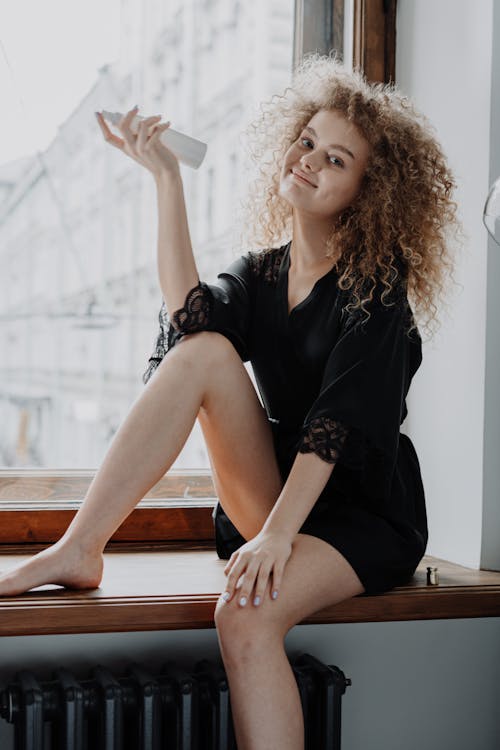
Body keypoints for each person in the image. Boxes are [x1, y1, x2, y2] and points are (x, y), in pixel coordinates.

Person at [0, 54, 460, 749]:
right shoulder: (263, 271)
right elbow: (190, 322)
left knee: (243, 617)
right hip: (276, 495)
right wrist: (165, 180)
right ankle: (78, 547)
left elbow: (334, 429)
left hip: (358, 514)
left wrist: (276, 537)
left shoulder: (377, 294)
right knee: (206, 349)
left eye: (336, 160)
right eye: (307, 141)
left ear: (367, 194)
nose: (309, 160)